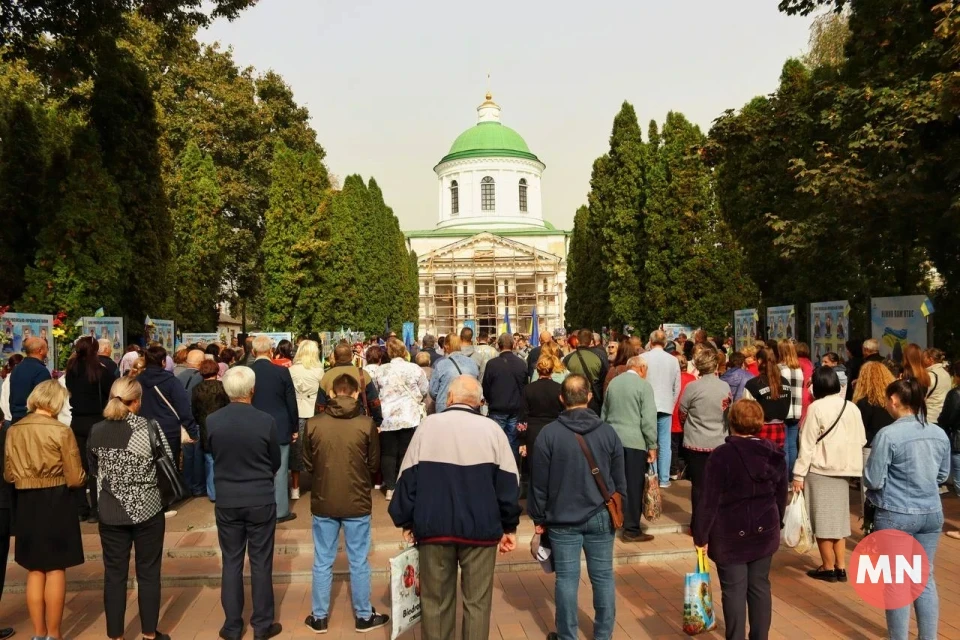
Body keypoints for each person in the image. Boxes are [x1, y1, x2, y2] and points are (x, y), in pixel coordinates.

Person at [389, 376, 520, 640]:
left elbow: (407, 479)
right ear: (480, 402)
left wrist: (405, 520)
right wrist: (509, 526)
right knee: (478, 603)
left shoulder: (428, 427)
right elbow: (508, 485)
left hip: (434, 528)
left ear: (449, 398)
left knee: (435, 603)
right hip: (481, 530)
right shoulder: (493, 430)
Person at [529, 375, 625, 640]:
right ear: (589, 397)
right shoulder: (607, 431)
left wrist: (538, 517)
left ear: (562, 399)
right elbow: (620, 477)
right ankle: (603, 634)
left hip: (562, 518)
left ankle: (567, 635)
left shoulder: (549, 434)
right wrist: (619, 506)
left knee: (567, 579)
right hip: (601, 514)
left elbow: (539, 483)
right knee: (603, 577)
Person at [302, 373, 389, 634]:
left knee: (322, 559)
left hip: (324, 497)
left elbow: (307, 463)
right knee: (359, 560)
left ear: (330, 394)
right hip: (357, 498)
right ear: (354, 394)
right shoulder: (366, 424)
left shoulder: (313, 424)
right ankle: (363, 615)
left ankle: (319, 616)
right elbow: (374, 464)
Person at [693, 399, 786, 640]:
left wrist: (701, 534)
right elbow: (781, 494)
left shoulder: (721, 455)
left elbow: (708, 500)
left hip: (730, 533)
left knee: (734, 590)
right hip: (765, 529)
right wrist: (778, 522)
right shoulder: (774, 452)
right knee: (759, 587)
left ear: (731, 423)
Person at [865, 378, 950, 639]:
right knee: (924, 579)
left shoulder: (888, 434)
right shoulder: (938, 432)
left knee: (897, 582)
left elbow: (874, 479)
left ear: (894, 401)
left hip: (896, 513)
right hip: (931, 512)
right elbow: (943, 474)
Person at [89, 377, 173, 640]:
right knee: (148, 572)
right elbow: (167, 461)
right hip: (147, 508)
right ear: (136, 401)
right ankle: (149, 633)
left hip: (111, 511)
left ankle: (115, 635)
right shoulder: (148, 427)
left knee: (114, 575)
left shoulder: (96, 429)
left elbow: (93, 467)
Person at [4, 380, 85, 640]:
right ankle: (54, 633)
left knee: (34, 569)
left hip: (26, 500)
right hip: (56, 498)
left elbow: (8, 473)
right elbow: (74, 477)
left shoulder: (13, 430)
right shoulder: (61, 431)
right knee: (56, 568)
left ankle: (38, 633)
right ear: (56, 401)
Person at [207, 366, 283, 640]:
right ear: (252, 390)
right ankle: (262, 625)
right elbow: (275, 459)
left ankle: (232, 625)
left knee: (232, 561)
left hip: (228, 497)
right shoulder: (265, 420)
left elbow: (212, 452)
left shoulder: (213, 421)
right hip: (259, 496)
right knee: (261, 562)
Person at [792, 367, 866, 582]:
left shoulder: (816, 407)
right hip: (844, 470)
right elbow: (861, 438)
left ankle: (827, 566)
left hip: (820, 469)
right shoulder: (851, 407)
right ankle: (841, 566)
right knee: (839, 521)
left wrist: (798, 474)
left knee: (822, 520)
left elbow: (806, 443)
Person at [600, 355, 657, 542]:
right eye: (646, 370)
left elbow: (604, 413)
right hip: (635, 442)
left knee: (614, 482)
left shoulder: (614, 384)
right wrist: (652, 445)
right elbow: (648, 419)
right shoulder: (643, 386)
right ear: (641, 368)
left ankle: (613, 517)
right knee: (633, 485)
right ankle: (631, 529)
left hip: (612, 440)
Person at [138, 345, 198, 517]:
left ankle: (152, 500)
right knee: (167, 464)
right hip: (168, 428)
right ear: (163, 361)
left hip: (144, 426)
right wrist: (192, 431)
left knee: (149, 464)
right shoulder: (171, 381)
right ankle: (166, 500)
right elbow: (183, 407)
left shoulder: (138, 380)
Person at [679, 348, 732, 532]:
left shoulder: (692, 387)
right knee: (718, 486)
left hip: (696, 442)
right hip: (719, 441)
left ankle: (698, 524)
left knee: (699, 486)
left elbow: (682, 413)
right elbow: (728, 413)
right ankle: (716, 522)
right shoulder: (724, 387)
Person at [64, 336, 114, 523]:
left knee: (79, 465)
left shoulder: (71, 370)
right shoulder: (101, 371)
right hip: (97, 421)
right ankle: (95, 509)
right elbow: (113, 391)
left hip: (77, 421)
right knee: (96, 468)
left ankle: (80, 508)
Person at [249, 335, 298, 524]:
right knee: (280, 468)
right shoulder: (282, 373)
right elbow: (291, 403)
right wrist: (294, 427)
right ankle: (280, 510)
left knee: (255, 467)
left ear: (253, 352)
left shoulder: (246, 372)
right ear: (271, 351)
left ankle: (257, 508)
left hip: (253, 425)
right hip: (280, 425)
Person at [374, 338, 428, 501]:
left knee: (388, 454)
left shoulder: (381, 370)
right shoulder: (415, 368)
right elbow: (425, 389)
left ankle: (390, 487)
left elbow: (376, 392)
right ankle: (404, 485)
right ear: (404, 351)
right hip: (409, 416)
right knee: (406, 452)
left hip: (388, 417)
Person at [852, 361, 895, 513]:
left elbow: (860, 429)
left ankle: (870, 525)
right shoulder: (893, 401)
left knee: (869, 489)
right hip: (894, 445)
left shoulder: (864, 402)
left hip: (870, 447)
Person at [643, 330, 681, 489]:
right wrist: (671, 404)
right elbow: (677, 386)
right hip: (665, 404)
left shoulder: (643, 358)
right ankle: (664, 478)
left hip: (647, 405)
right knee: (665, 443)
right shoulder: (673, 360)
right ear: (665, 344)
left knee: (649, 441)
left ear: (650, 342)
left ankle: (652, 474)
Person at [482, 333, 528, 461]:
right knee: (512, 441)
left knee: (495, 442)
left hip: (498, 408)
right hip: (515, 407)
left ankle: (497, 468)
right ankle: (511, 469)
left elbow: (486, 386)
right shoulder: (521, 363)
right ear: (513, 345)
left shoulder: (492, 364)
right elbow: (525, 386)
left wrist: (491, 400)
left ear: (498, 345)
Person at [518, 356, 564, 483]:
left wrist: (522, 440)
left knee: (535, 470)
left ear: (537, 369)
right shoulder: (559, 388)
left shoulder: (528, 389)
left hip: (533, 432)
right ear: (552, 369)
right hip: (555, 429)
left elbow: (522, 416)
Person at [289, 339, 323, 502]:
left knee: (297, 450)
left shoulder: (291, 370)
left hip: (297, 411)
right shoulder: (318, 371)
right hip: (314, 411)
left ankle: (295, 487)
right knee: (316, 449)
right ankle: (317, 484)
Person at [192, 360, 230, 502]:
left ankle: (213, 493)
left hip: (205, 428)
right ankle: (226, 490)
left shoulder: (196, 389)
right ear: (216, 371)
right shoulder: (222, 387)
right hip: (223, 427)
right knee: (225, 460)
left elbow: (194, 410)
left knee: (209, 461)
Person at [319, 343, 383, 425]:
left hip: (332, 422)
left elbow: (320, 405)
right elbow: (374, 401)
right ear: (352, 357)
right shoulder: (362, 374)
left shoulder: (327, 376)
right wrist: (378, 422)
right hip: (359, 421)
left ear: (334, 357)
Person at [742, 348, 790, 451]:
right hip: (780, 428)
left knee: (759, 462)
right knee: (777, 461)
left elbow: (746, 412)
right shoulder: (785, 382)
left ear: (759, 361)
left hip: (760, 429)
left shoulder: (752, 384)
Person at [178, 348, 207, 498]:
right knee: (198, 455)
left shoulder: (178, 376)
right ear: (201, 362)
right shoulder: (201, 378)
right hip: (196, 420)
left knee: (187, 455)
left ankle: (186, 485)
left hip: (182, 421)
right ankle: (198, 486)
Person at [429, 334, 479, 414]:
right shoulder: (472, 363)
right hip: (469, 407)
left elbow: (433, 391)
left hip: (445, 408)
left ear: (446, 346)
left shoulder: (441, 364)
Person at [7, 336, 51, 423]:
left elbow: (12, 396)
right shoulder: (41, 371)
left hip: (16, 419)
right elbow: (43, 401)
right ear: (40, 350)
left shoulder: (17, 368)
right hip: (33, 420)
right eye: (47, 348)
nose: (48, 351)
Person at [777, 341, 805, 477]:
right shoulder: (799, 369)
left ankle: (786, 475)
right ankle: (792, 474)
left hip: (783, 409)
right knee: (793, 444)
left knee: (785, 445)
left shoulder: (780, 368)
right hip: (796, 409)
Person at [563, 329, 607, 414]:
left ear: (577, 340)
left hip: (573, 398)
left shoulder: (568, 359)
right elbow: (604, 378)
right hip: (594, 398)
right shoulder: (600, 356)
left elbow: (564, 379)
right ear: (591, 341)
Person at [670, 353, 697, 480]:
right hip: (687, 418)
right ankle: (687, 470)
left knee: (673, 447)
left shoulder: (672, 378)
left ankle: (674, 471)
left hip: (673, 416)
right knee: (686, 447)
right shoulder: (692, 379)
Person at [923, 348, 949, 424]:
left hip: (929, 417)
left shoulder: (930, 376)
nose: (921, 361)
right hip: (941, 415)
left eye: (923, 358)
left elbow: (921, 396)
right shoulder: (946, 374)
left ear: (930, 359)